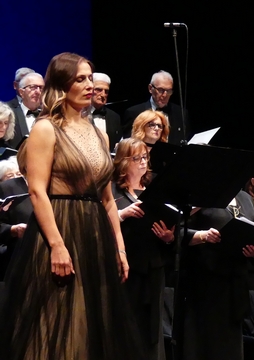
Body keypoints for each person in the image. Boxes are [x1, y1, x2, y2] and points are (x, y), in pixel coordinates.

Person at [0, 52, 142, 359]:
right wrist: (57, 246)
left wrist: (119, 248)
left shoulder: (100, 133)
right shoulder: (46, 128)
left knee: (94, 325)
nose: (89, 85)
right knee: (57, 324)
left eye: (90, 78)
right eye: (80, 79)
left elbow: (106, 199)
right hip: (60, 229)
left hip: (95, 234)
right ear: (63, 85)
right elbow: (37, 191)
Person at [112, 138, 174, 360]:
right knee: (126, 323)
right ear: (123, 161)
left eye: (145, 158)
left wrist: (169, 237)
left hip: (153, 266)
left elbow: (169, 226)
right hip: (125, 267)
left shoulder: (155, 190)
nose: (142, 163)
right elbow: (99, 222)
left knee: (152, 328)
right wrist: (123, 213)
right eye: (136, 158)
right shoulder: (113, 191)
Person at [181, 190, 254, 360]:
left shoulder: (245, 198)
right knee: (204, 345)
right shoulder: (202, 194)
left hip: (235, 285)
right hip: (205, 284)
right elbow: (179, 231)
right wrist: (203, 236)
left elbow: (253, 231)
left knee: (231, 348)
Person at [123, 70, 189, 145]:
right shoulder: (134, 112)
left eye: (169, 91)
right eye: (161, 90)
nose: (165, 95)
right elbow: (128, 145)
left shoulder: (181, 113)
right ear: (150, 88)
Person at [7, 72, 44, 148]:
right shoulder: (9, 115)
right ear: (21, 92)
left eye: (41, 88)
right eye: (33, 87)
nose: (38, 91)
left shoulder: (50, 116)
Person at [90, 72, 122, 152]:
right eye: (98, 90)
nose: (103, 94)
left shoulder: (115, 117)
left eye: (106, 91)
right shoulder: (79, 114)